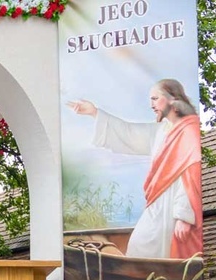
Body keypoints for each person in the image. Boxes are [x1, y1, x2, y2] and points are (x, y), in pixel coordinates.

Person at [68, 78, 202, 259]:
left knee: (145, 245)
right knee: (140, 244)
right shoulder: (162, 130)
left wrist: (183, 216)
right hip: (158, 202)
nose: (151, 104)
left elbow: (190, 174)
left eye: (155, 99)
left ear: (172, 99)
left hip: (174, 207)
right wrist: (95, 113)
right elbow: (129, 133)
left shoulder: (187, 130)